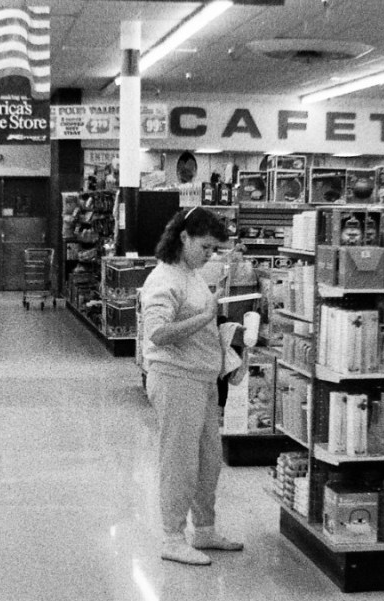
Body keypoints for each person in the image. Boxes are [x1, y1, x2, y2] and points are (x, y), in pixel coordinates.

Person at [140, 206, 245, 565]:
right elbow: (157, 332)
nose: (210, 255)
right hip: (175, 378)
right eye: (206, 246)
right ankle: (172, 536)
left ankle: (203, 529)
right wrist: (205, 317)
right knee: (180, 461)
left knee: (208, 460)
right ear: (183, 237)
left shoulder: (192, 273)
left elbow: (203, 325)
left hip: (201, 379)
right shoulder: (164, 278)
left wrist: (226, 351)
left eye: (215, 248)